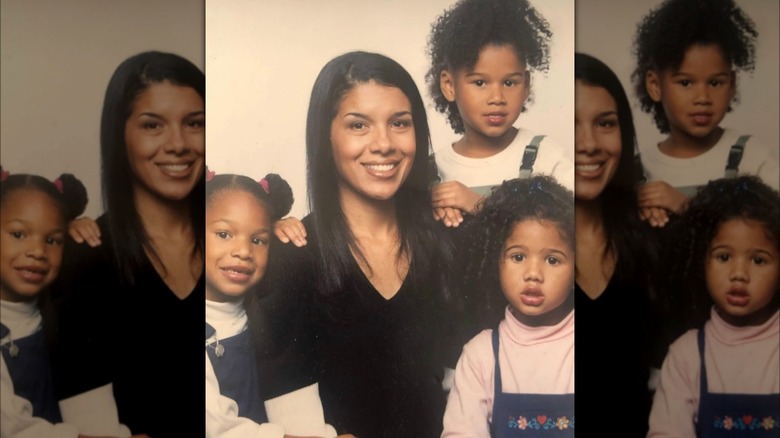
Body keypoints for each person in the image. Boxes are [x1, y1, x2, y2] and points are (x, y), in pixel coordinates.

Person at [251, 51, 458, 438]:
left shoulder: (445, 240)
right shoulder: (291, 257)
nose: (383, 144)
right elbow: (286, 398)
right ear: (325, 137)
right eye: (358, 125)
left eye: (399, 123)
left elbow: (468, 381)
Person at [50, 51, 205, 437]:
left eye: (195, 123)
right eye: (153, 125)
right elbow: (87, 421)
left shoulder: (236, 247)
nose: (178, 144)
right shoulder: (84, 260)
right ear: (120, 136)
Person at [204, 170, 341, 438]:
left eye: (257, 241)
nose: (243, 251)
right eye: (224, 234)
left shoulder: (263, 315)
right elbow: (220, 430)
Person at [441, 176, 574, 437]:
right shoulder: (481, 355)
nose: (533, 273)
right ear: (495, 262)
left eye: (552, 259)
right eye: (518, 257)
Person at [0, 168, 128, 438]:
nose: (37, 251)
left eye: (51, 240)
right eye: (18, 234)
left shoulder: (58, 312)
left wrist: (71, 237)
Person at [647, 175, 779, 437]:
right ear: (701, 261)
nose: (739, 273)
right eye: (724, 257)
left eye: (758, 260)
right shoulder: (687, 355)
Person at [574, 53, 664, 436]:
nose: (589, 144)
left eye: (605, 124)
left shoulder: (654, 236)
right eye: (570, 125)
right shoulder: (521, 246)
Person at [425, 0, 573, 228]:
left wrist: (482, 205)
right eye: (480, 82)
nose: (497, 97)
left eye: (509, 82)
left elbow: (569, 225)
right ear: (449, 85)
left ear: (526, 84)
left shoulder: (545, 156)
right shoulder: (431, 169)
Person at [631, 0, 779, 227]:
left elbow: (768, 231)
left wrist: (687, 206)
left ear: (732, 84)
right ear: (655, 85)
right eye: (686, 82)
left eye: (715, 82)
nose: (703, 97)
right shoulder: (638, 170)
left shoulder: (752, 157)